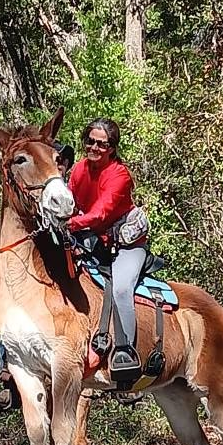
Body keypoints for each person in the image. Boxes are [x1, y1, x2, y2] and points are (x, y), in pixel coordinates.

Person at [0, 140, 75, 413]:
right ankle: (7, 371)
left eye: (62, 160)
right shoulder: (37, 184)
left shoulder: (68, 183)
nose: (60, 165)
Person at [68, 118, 148, 375]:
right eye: (89, 141)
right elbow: (70, 201)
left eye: (101, 144)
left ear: (112, 148)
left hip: (125, 245)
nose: (93, 147)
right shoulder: (79, 170)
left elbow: (102, 213)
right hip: (91, 240)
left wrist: (71, 224)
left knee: (122, 288)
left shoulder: (120, 175)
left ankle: (126, 352)